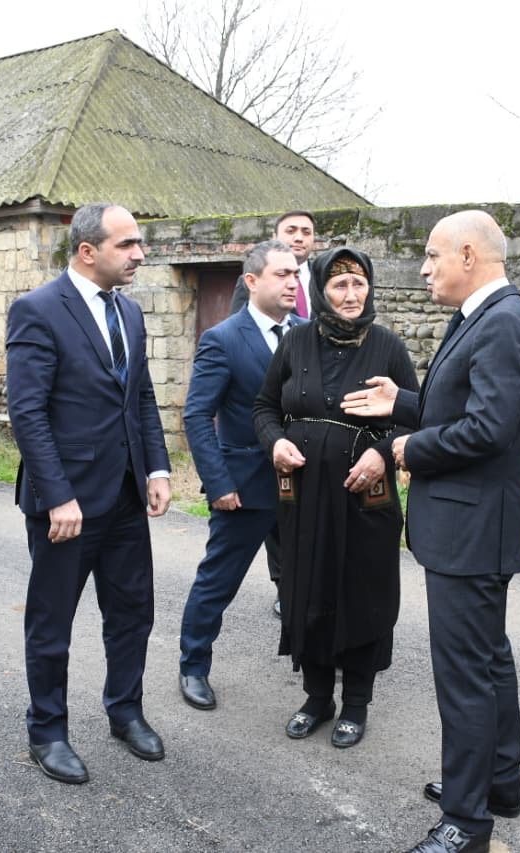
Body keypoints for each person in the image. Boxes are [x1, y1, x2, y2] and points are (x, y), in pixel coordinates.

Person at [340, 211, 520, 853]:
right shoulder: (482, 317)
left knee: (465, 675)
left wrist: (408, 447)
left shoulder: (504, 324)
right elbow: (461, 405)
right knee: (488, 660)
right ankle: (497, 783)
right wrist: (403, 403)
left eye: (432, 256)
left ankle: (466, 822)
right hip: (470, 526)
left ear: (468, 255)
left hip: (472, 530)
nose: (424, 269)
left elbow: (488, 430)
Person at [7, 202, 172, 784]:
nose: (139, 254)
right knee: (52, 623)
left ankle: (125, 712)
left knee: (132, 613)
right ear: (87, 251)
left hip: (125, 495)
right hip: (66, 505)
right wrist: (57, 496)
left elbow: (141, 397)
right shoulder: (37, 310)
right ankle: (47, 731)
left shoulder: (129, 312)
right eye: (127, 244)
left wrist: (157, 470)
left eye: (139, 243)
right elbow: (27, 413)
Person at [252, 246, 418, 750]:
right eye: (340, 285)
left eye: (359, 283)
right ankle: (317, 697)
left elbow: (417, 417)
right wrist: (274, 442)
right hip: (302, 495)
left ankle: (356, 703)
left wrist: (384, 454)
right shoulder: (296, 342)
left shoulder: (387, 346)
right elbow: (264, 406)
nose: (351, 294)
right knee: (308, 588)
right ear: (321, 291)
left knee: (363, 590)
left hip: (365, 495)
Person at [178, 240, 304, 711]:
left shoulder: (308, 334)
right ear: (252, 281)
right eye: (281, 274)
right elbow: (197, 416)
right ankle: (193, 666)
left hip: (302, 485)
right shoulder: (223, 339)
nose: (292, 282)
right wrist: (218, 483)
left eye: (295, 274)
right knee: (218, 581)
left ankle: (310, 660)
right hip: (244, 487)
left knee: (304, 577)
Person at [230, 210, 318, 617]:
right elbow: (241, 339)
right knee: (274, 513)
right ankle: (285, 586)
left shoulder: (320, 279)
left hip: (309, 418)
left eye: (306, 232)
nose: (299, 237)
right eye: (291, 231)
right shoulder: (253, 284)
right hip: (266, 417)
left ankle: (305, 588)